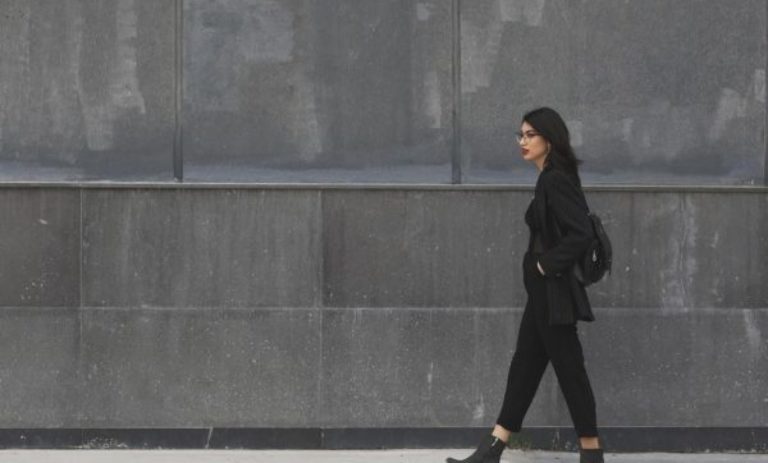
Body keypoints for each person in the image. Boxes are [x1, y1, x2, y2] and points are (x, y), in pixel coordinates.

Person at [446, 107, 605, 463]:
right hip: (544, 291)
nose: (523, 141)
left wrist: (543, 265)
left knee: (570, 369)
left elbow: (580, 233)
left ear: (550, 138)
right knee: (525, 366)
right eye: (520, 135)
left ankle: (592, 452)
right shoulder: (550, 176)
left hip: (553, 289)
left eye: (530, 135)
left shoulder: (555, 180)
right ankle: (493, 447)